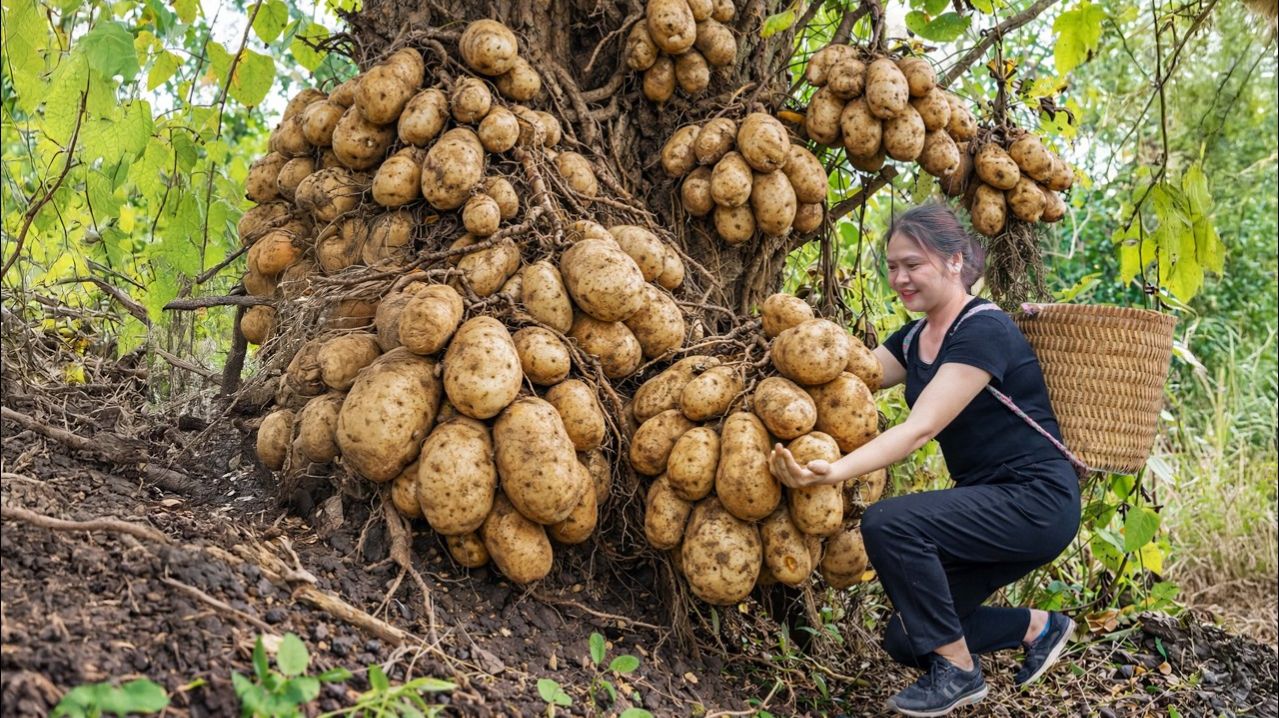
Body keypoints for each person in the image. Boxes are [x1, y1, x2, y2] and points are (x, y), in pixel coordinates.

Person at [768, 203, 1082, 717]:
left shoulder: (984, 330)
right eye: (892, 266)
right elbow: (851, 375)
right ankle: (1038, 627)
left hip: (1035, 500)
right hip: (989, 502)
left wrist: (835, 471)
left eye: (913, 264)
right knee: (908, 638)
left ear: (955, 260)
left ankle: (959, 672)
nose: (899, 278)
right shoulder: (913, 339)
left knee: (890, 522)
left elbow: (922, 428)